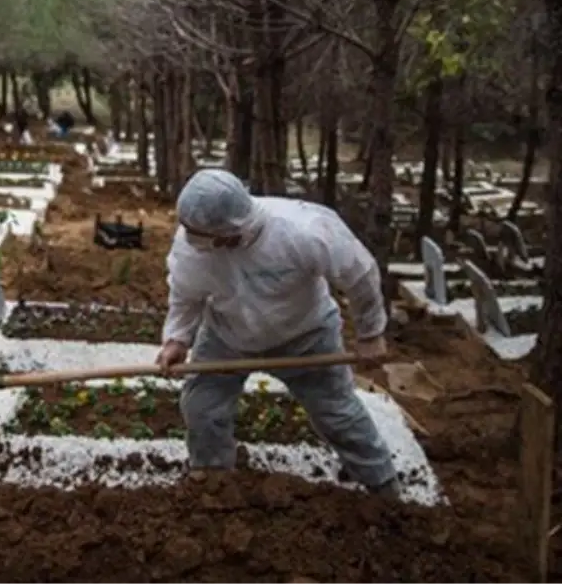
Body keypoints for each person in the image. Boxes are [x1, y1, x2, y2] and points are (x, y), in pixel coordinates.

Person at [157, 169, 401, 499]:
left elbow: (359, 274)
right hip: (228, 336)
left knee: (337, 411)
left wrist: (371, 333)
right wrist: (177, 339)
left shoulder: (303, 230)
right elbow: (185, 295)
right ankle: (213, 480)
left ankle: (382, 485)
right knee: (203, 405)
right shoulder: (192, 245)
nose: (187, 237)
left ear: (229, 231)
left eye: (196, 232)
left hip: (305, 335)